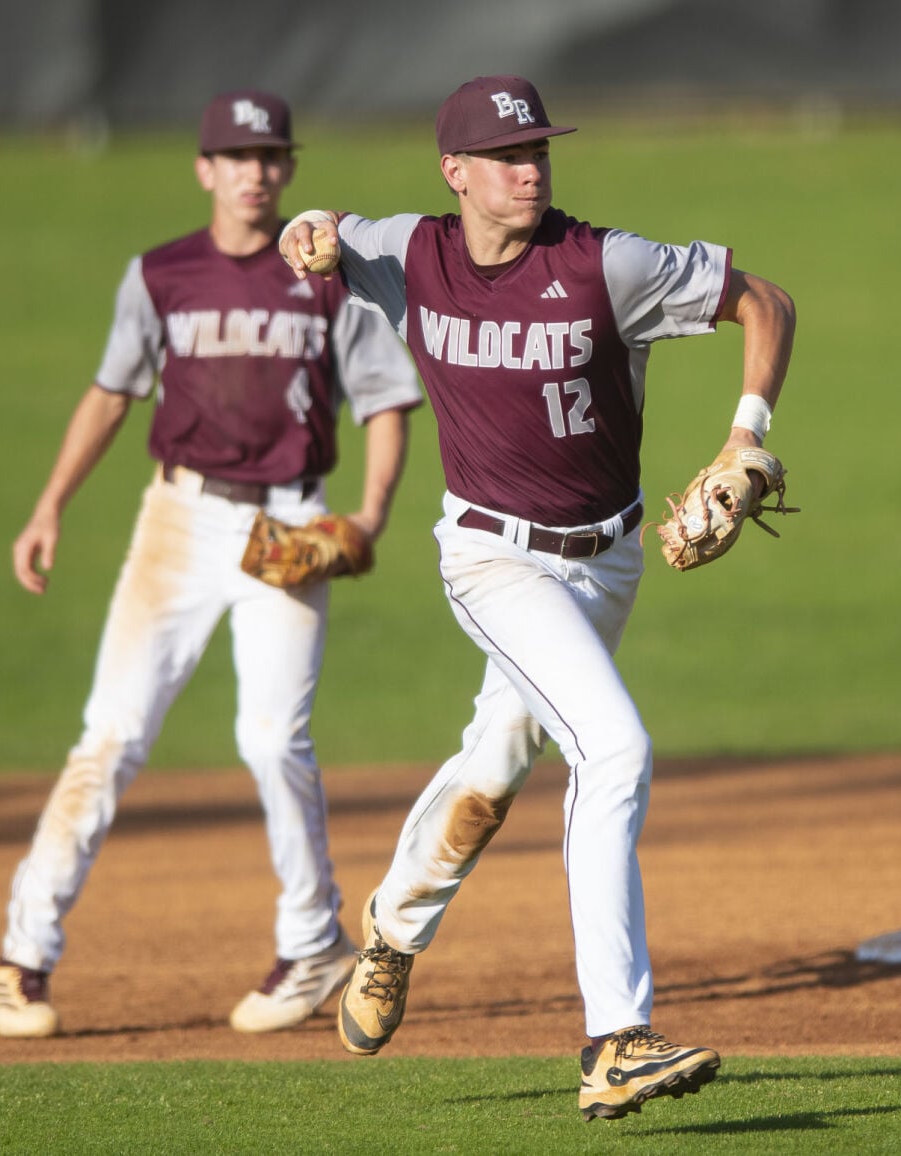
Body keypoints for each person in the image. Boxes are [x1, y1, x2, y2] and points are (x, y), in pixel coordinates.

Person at [277, 74, 796, 1121]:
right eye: (508, 155)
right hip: (489, 559)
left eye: (541, 152)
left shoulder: (607, 263)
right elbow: (327, 230)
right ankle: (615, 1039)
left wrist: (747, 431)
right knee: (614, 749)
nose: (531, 169)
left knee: (497, 759)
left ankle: (390, 930)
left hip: (606, 560)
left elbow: (765, 300)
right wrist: (307, 229)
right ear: (455, 173)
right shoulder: (407, 253)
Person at [0, 90, 426, 1039]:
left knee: (273, 740)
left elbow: (386, 402)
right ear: (205, 169)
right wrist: (49, 505)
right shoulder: (162, 275)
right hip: (177, 521)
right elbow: (110, 395)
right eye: (237, 155)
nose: (255, 171)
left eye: (271, 155)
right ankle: (23, 958)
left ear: (289, 169)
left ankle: (313, 948)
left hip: (288, 525)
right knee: (112, 734)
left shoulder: (328, 277)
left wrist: (371, 515)